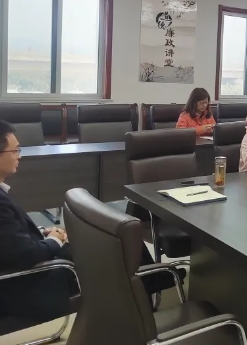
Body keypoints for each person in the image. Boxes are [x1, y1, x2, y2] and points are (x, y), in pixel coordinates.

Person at [0, 121, 181, 321]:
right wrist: (54, 240)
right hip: (35, 281)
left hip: (35, 266)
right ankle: (145, 310)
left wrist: (42, 232)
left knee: (125, 238)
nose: (19, 156)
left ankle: (153, 283)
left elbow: (9, 240)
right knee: (120, 248)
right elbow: (26, 255)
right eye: (15, 150)